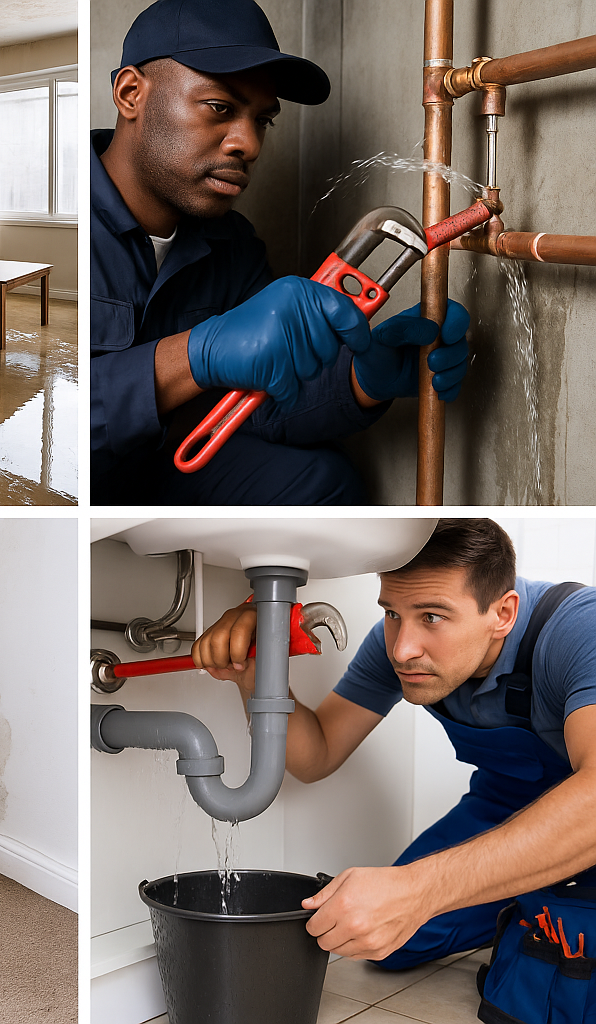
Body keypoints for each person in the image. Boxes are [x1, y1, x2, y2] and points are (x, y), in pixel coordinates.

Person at [91, 0, 471, 504]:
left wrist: (360, 377)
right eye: (220, 108)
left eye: (263, 119)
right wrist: (195, 354)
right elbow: (56, 407)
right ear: (131, 94)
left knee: (324, 478)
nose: (248, 143)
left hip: (158, 467)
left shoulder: (235, 248)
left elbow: (261, 405)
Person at [192, 519, 596, 966]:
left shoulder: (580, 630)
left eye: (433, 617)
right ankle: (540, 891)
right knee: (391, 943)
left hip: (586, 804)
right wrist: (254, 677)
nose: (403, 649)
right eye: (391, 613)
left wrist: (420, 888)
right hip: (505, 804)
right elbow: (317, 754)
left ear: (503, 614)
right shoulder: (399, 646)